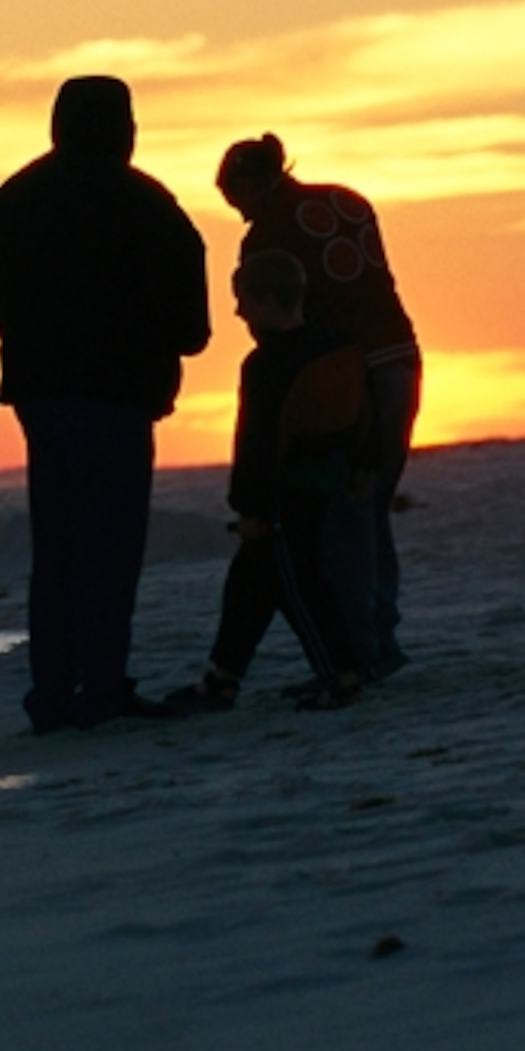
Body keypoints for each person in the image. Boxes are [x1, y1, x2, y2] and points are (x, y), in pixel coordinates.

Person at [0, 75, 211, 733]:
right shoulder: (147, 203)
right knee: (109, 549)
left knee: (55, 551)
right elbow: (192, 326)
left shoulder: (14, 200)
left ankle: (52, 695)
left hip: (41, 396)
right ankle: (102, 688)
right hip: (117, 394)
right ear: (124, 127)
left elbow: (2, 305)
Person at [217, 133, 420, 675]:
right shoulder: (348, 201)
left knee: (342, 518)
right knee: (370, 509)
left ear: (253, 184)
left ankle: (357, 653)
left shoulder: (268, 237)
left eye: (236, 201)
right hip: (400, 356)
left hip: (342, 375)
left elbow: (279, 327)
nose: (239, 216)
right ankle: (380, 640)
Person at [169, 248, 377, 713]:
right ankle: (222, 678)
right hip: (326, 480)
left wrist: (250, 507)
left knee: (299, 585)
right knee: (249, 581)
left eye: (243, 300)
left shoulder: (266, 364)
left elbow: (258, 440)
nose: (239, 311)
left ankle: (340, 677)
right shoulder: (338, 347)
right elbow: (367, 415)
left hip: (282, 493)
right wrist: (365, 465)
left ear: (266, 300)